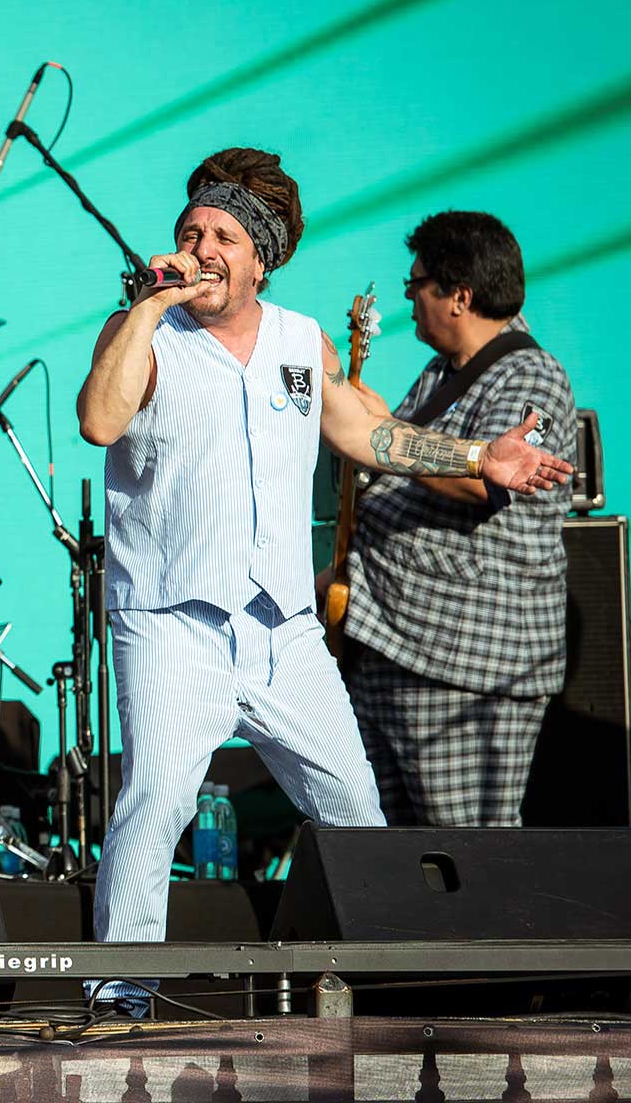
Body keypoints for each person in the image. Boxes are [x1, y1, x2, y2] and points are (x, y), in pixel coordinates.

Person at [75, 148, 570, 1010]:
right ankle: (121, 993)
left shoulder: (300, 342)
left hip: (282, 627)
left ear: (260, 257)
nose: (201, 248)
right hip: (170, 619)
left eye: (224, 235)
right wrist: (145, 308)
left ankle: (380, 986)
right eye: (191, 231)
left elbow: (370, 436)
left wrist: (479, 458)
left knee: (353, 812)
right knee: (154, 805)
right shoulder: (143, 335)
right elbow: (99, 419)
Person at [334, 211, 575, 826]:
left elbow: (493, 483)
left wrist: (386, 432)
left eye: (417, 284)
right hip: (394, 645)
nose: (410, 297)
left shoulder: (533, 375)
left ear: (459, 296)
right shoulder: (443, 372)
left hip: (467, 665)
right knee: (392, 861)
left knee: (469, 860)